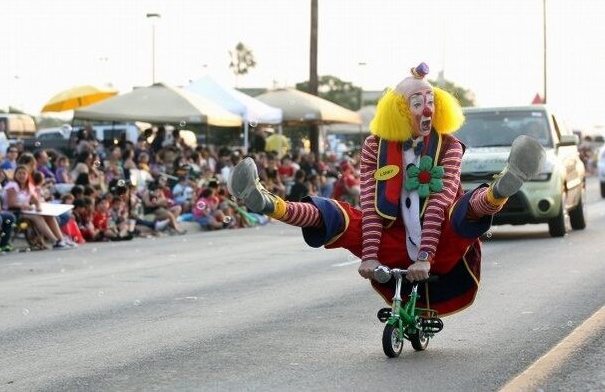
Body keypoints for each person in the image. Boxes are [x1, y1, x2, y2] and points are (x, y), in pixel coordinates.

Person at [228, 62, 546, 316]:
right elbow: (370, 201)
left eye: (432, 102)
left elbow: (440, 198)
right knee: (339, 215)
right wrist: (368, 256)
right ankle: (269, 204)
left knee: (462, 209)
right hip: (390, 242)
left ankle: (501, 188)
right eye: (418, 102)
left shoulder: (448, 146)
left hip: (441, 245)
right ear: (400, 109)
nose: (427, 110)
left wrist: (424, 257)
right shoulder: (374, 147)